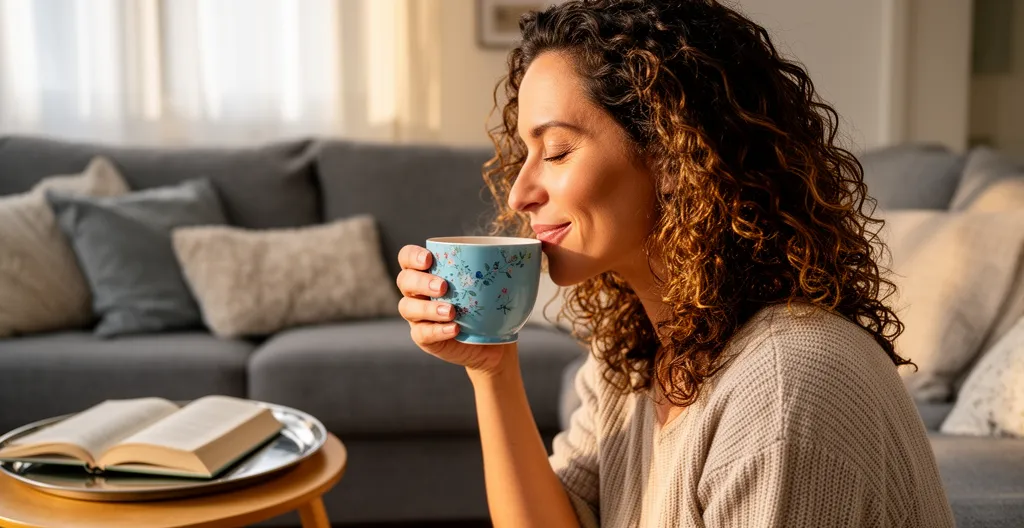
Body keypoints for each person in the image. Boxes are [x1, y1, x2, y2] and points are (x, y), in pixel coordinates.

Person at [396, 0, 954, 526]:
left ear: (671, 155)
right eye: (526, 155)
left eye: (559, 150)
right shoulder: (638, 359)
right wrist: (492, 369)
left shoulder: (782, 388)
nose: (518, 194)